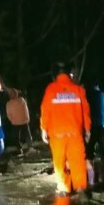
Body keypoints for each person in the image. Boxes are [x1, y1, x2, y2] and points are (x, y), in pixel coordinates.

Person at [40, 66, 91, 196]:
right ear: (70, 75)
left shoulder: (51, 89)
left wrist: (43, 129)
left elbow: (45, 111)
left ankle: (64, 188)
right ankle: (80, 187)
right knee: (78, 161)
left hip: (57, 133)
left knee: (59, 163)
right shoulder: (78, 89)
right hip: (75, 132)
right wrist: (87, 129)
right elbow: (86, 112)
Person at [85, 83, 104, 187]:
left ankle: (91, 178)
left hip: (88, 127)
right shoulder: (100, 95)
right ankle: (102, 176)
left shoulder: (84, 94)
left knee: (88, 154)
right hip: (99, 126)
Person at [5, 88, 32, 156]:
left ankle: (27, 148)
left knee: (21, 136)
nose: (12, 95)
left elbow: (25, 110)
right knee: (19, 136)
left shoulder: (20, 101)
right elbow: (9, 114)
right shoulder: (11, 103)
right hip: (18, 122)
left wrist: (12, 120)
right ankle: (23, 148)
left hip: (20, 122)